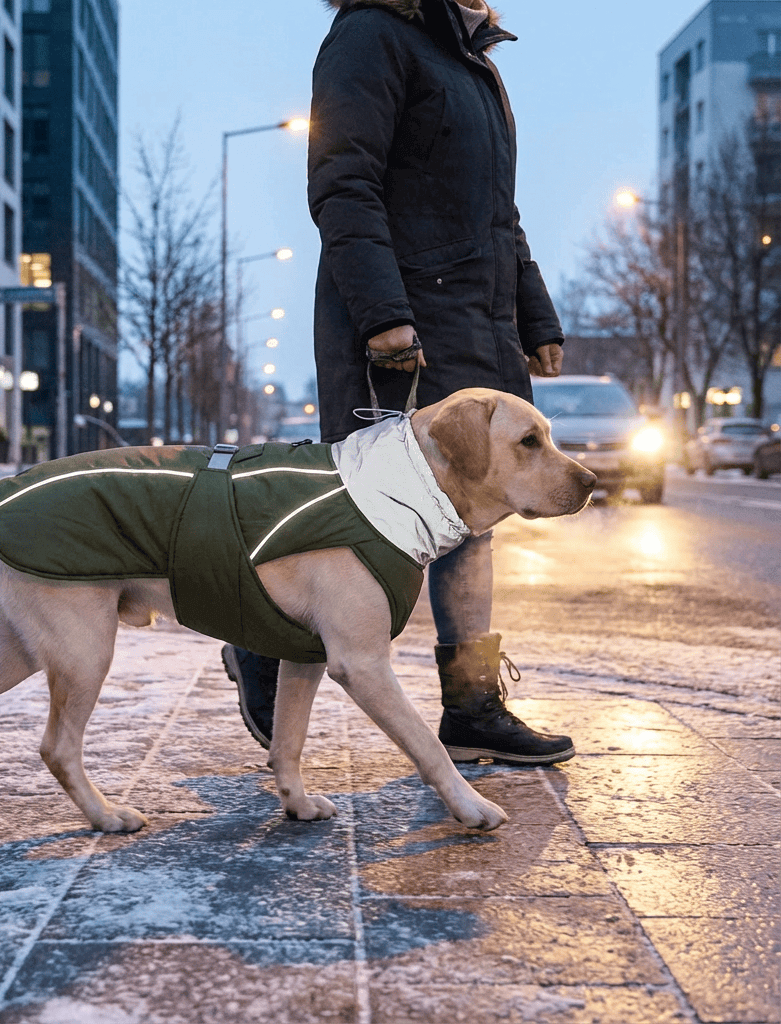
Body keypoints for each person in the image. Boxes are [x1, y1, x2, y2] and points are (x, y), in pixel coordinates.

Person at [223, 0, 574, 766]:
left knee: (473, 520)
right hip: (402, 327)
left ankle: (474, 705)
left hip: (475, 322)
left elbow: (497, 216)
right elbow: (344, 182)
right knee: (365, 519)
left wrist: (534, 315)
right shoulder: (371, 36)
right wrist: (383, 313)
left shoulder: (473, 61)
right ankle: (261, 642)